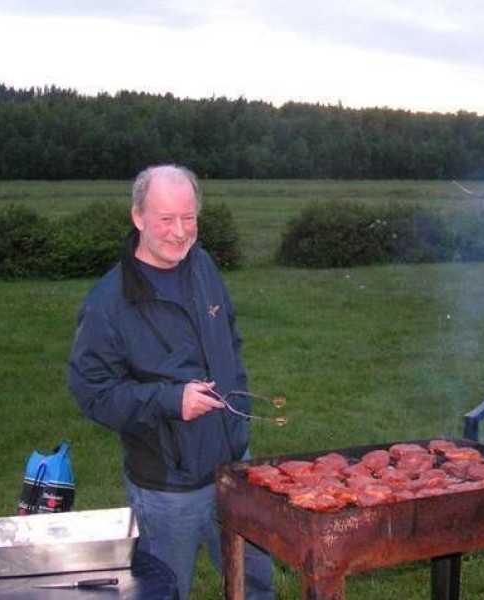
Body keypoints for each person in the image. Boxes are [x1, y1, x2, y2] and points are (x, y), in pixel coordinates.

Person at [67, 164, 276, 600]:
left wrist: (237, 410)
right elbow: (92, 391)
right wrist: (168, 400)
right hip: (168, 488)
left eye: (189, 218)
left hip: (235, 465)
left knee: (256, 585)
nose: (180, 232)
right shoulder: (110, 302)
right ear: (138, 217)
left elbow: (229, 337)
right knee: (164, 591)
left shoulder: (203, 266)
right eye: (166, 219)